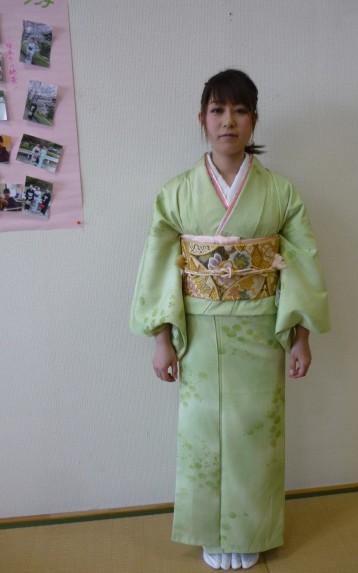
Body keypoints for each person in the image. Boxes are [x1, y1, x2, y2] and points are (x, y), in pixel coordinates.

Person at [130, 69, 330, 571]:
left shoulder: (280, 192)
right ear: (201, 119)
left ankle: (250, 531)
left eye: (240, 110)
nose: (228, 121)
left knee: (255, 437)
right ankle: (209, 531)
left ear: (254, 120)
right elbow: (159, 267)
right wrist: (162, 339)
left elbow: (302, 262)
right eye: (218, 110)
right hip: (198, 331)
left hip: (261, 331)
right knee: (202, 438)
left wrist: (301, 335)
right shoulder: (176, 193)